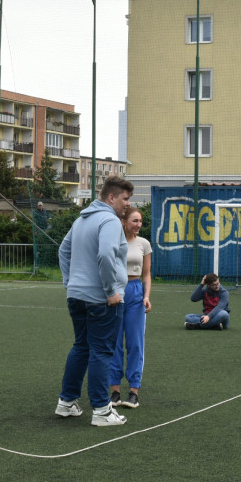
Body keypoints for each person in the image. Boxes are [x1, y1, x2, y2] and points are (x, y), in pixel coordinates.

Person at [55, 175, 133, 426]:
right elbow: (106, 255)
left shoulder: (81, 219)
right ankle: (101, 410)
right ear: (111, 197)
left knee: (81, 347)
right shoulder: (109, 219)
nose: (127, 204)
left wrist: (70, 282)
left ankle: (66, 403)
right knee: (101, 351)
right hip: (101, 299)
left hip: (76, 296)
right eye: (124, 199)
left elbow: (63, 250)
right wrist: (111, 290)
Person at [109, 206, 151, 409]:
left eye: (140, 221)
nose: (138, 225)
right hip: (117, 291)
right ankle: (114, 391)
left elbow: (147, 274)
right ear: (124, 222)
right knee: (115, 343)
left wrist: (146, 296)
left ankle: (134, 391)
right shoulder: (114, 242)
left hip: (135, 292)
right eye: (135, 221)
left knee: (135, 343)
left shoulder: (144, 244)